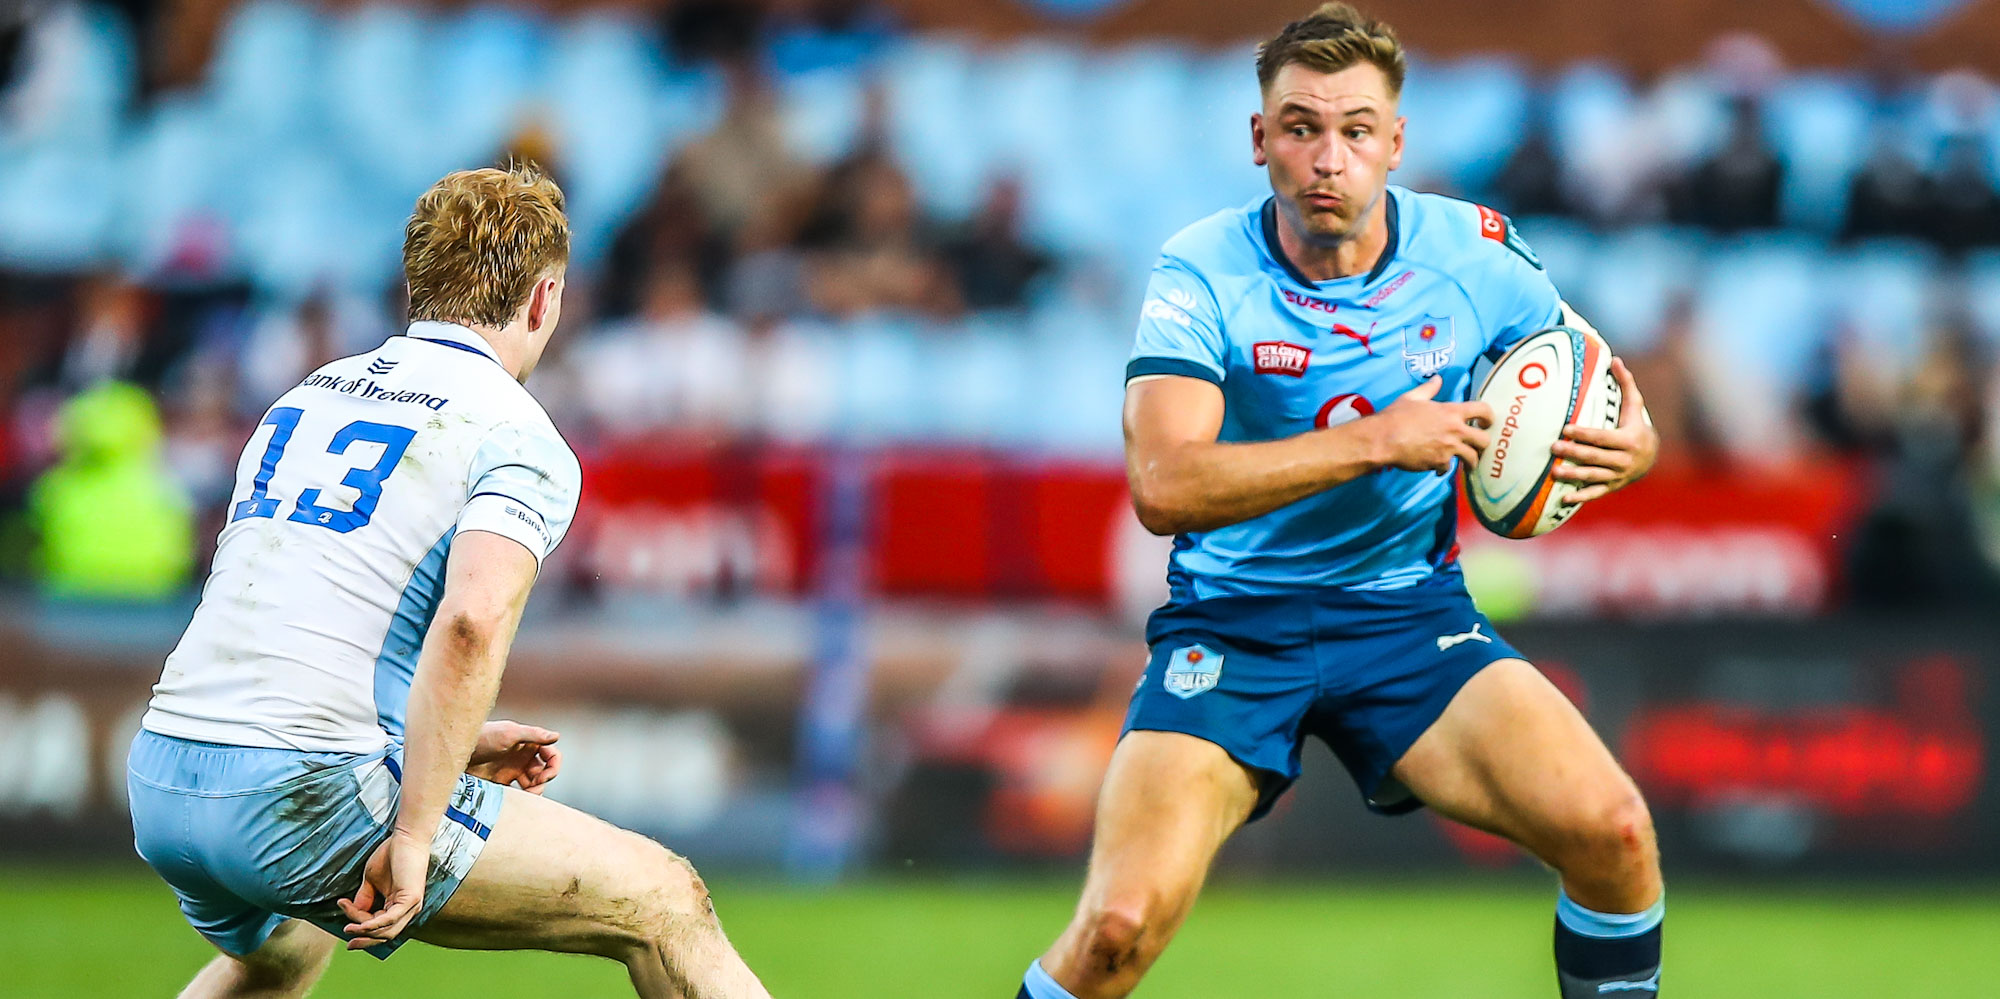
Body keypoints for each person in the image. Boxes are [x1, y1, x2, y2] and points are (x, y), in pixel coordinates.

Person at [1015, 7, 1663, 999]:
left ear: (1395, 143)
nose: (1328, 158)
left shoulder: (1475, 253)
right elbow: (1163, 485)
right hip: (1233, 627)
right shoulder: (1201, 270)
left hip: (1406, 617)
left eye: (1356, 130)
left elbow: (1591, 377)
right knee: (1114, 930)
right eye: (1300, 127)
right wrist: (1376, 441)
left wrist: (1635, 445)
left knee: (1613, 834)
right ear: (1258, 138)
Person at [126, 165, 773, 999]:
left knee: (286, 950)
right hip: (300, 789)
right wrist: (416, 828)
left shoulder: (306, 398)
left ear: (417, 285)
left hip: (164, 774)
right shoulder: (514, 430)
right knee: (664, 902)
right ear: (544, 300)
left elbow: (302, 624)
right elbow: (472, 621)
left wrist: (442, 745)